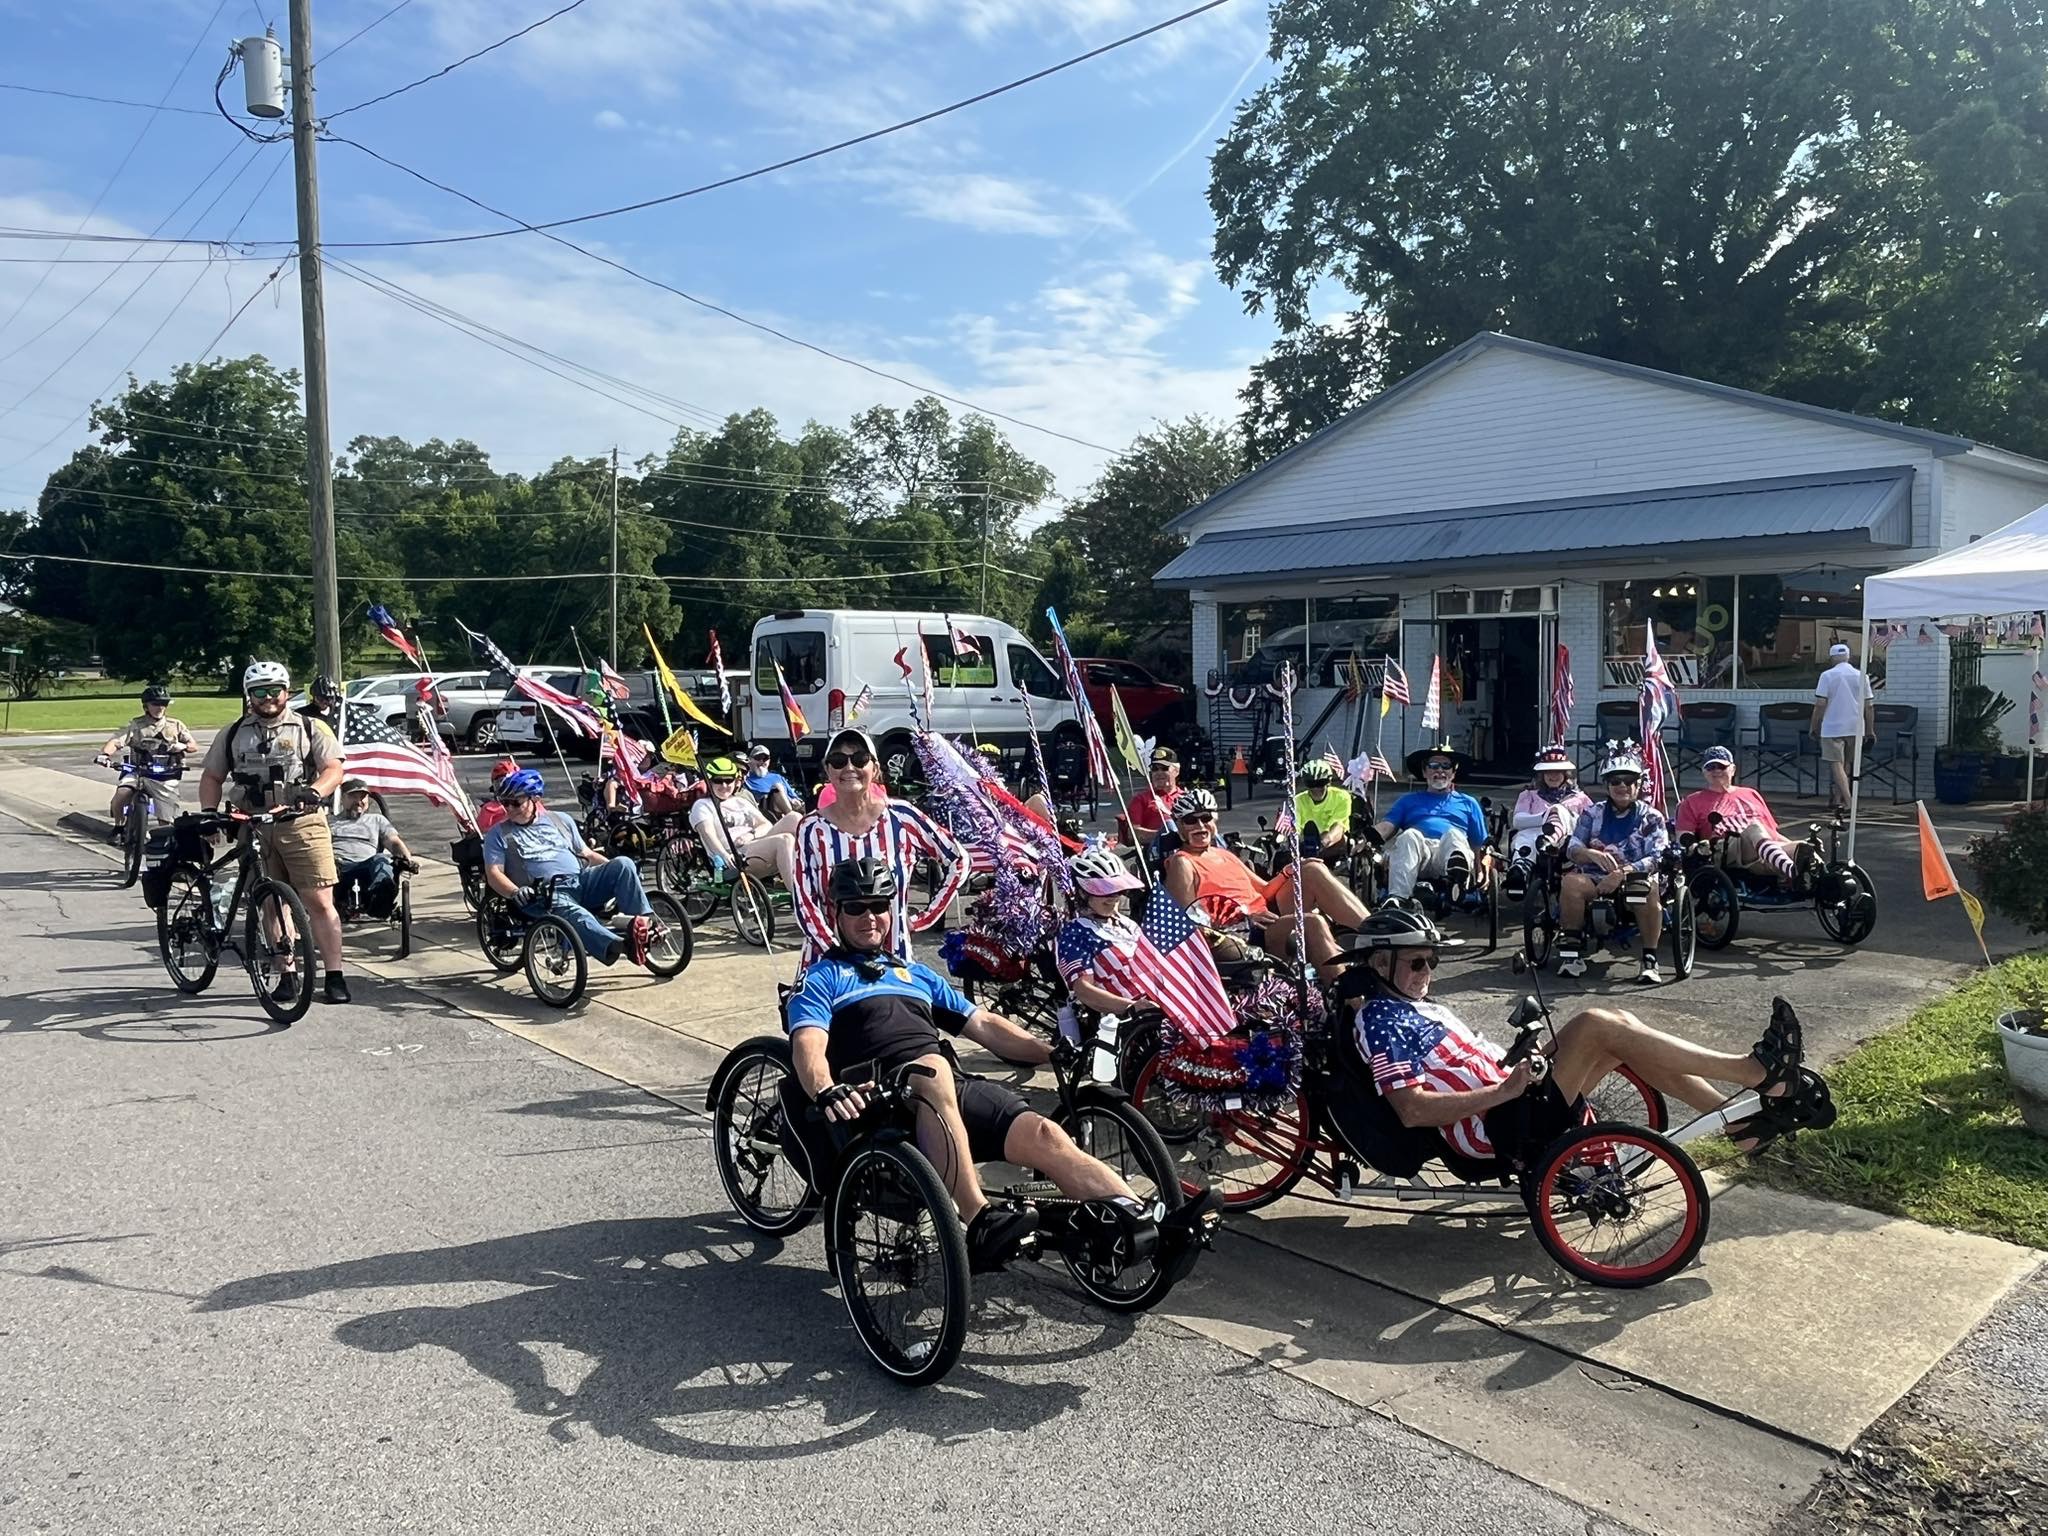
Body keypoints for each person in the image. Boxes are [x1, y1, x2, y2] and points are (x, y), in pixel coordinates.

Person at [787, 856, 1162, 1272]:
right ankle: (978, 1218)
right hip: (878, 1097)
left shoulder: (913, 973)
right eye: (855, 907)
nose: (869, 917)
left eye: (878, 906)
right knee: (933, 1066)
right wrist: (824, 1087)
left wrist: (1049, 1049)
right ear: (835, 913)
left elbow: (983, 1024)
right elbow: (808, 1043)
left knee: (1045, 1133)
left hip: (945, 1089)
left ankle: (1143, 1220)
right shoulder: (823, 977)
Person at [1346, 907, 1831, 1162]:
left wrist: (1514, 1066)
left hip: (1510, 1094)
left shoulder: (1416, 1007)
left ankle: (1737, 1126)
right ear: (1379, 964)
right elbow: (1410, 1110)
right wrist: (1505, 1089)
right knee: (1597, 1024)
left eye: (1432, 960)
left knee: (1618, 1025)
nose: (1427, 970)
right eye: (1416, 961)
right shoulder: (1382, 1021)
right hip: (1494, 1123)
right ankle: (1754, 1073)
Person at [197, 660, 350, 1005]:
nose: (267, 698)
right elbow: (211, 777)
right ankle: (286, 973)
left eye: (273, 691)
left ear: (287, 692)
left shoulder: (310, 727)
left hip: (302, 823)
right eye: (258, 692)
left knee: (319, 901)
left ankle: (335, 976)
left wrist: (316, 791)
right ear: (249, 696)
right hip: (252, 826)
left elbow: (334, 769)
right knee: (269, 903)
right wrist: (210, 813)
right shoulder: (234, 733)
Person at [792, 727, 968, 967]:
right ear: (828, 770)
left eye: (860, 759)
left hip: (893, 960)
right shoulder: (811, 828)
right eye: (838, 760)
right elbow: (804, 901)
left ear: (874, 769)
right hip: (829, 964)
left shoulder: (902, 817)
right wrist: (835, 951)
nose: (849, 768)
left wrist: (922, 919)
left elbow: (958, 859)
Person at [1158, 787, 1364, 973]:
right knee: (1312, 923)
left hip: (1267, 913)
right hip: (1243, 933)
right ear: (1179, 826)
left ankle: (1374, 932)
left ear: (1214, 821)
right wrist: (1245, 918)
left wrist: (1287, 872)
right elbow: (1187, 920)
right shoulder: (1181, 862)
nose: (1200, 825)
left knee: (1311, 869)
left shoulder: (1223, 854)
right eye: (1190, 820)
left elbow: (1264, 891)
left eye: (1205, 818)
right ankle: (1349, 1002)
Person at [481, 768, 665, 968]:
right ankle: (621, 947)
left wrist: (623, 873)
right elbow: (494, 873)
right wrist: (515, 891)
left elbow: (588, 855)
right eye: (504, 802)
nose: (509, 808)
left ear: (534, 799)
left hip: (580, 881)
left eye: (515, 801)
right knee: (579, 915)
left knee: (623, 864)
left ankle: (647, 926)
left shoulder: (560, 820)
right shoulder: (497, 835)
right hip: (544, 894)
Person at [1557, 746, 1670, 984]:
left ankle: (1650, 959)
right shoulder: (1592, 813)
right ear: (1607, 785)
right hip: (1595, 876)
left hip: (1635, 876)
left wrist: (1621, 874)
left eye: (1629, 780)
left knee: (1645, 891)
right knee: (1570, 883)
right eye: (1616, 780)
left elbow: (1657, 857)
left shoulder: (1652, 817)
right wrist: (1589, 854)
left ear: (1638, 785)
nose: (1622, 786)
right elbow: (1572, 847)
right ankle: (1572, 955)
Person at [1374, 743, 1490, 903]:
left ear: (1453, 773)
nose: (1440, 770)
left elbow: (1478, 844)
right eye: (1434, 765)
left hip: (1448, 853)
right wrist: (1368, 836)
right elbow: (1388, 826)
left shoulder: (1468, 803)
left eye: (1446, 766)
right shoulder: (1408, 800)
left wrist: (1481, 871)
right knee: (1409, 835)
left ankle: (1457, 880)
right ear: (1424, 772)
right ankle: (1398, 898)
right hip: (1419, 854)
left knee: (1453, 834)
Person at [1675, 746, 1801, 885]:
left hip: (1764, 850)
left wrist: (1792, 844)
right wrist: (1695, 847)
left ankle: (1817, 883)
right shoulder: (1692, 801)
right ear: (1704, 772)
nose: (1716, 770)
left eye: (1722, 766)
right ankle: (1790, 870)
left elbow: (1773, 833)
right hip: (1726, 849)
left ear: (1733, 769)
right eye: (1711, 767)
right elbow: (1683, 836)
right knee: (1754, 828)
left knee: (1803, 848)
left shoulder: (1751, 793)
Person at [689, 755, 800, 888]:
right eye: (718, 781)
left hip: (753, 844)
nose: (724, 785)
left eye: (729, 780)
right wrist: (724, 855)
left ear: (735, 781)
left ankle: (815, 874)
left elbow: (766, 824)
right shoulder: (702, 805)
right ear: (709, 782)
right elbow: (708, 834)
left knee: (795, 818)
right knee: (785, 840)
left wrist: (750, 835)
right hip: (733, 856)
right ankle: (798, 896)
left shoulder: (740, 801)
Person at [101, 683, 195, 837]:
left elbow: (193, 745)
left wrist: (182, 746)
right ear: (146, 706)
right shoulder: (136, 725)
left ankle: (163, 842)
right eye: (155, 704)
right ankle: (119, 826)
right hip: (138, 770)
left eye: (163, 704)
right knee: (121, 794)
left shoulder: (176, 725)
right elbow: (117, 741)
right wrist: (105, 755)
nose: (160, 708)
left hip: (164, 775)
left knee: (166, 816)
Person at [1505, 746, 1592, 899]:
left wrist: (1559, 814)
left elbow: (1592, 822)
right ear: (1542, 775)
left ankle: (1550, 841)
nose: (1553, 776)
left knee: (1558, 809)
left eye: (1557, 772)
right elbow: (1518, 821)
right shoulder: (1528, 795)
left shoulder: (1580, 798)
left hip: (1568, 843)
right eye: (1548, 772)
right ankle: (1519, 872)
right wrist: (1544, 817)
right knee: (1524, 836)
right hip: (1535, 841)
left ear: (1565, 775)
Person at [329, 778, 416, 918]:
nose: (359, 801)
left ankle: (382, 897)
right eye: (353, 796)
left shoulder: (377, 820)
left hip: (367, 868)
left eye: (363, 797)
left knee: (382, 859)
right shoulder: (330, 821)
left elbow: (393, 842)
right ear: (342, 799)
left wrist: (408, 860)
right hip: (339, 869)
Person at [1811, 643, 1875, 810]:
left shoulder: (1827, 676)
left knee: (1836, 763)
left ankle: (1849, 800)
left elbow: (1820, 704)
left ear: (1831, 658)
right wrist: (1869, 729)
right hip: (1855, 726)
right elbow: (1869, 706)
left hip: (1832, 727)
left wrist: (1814, 725)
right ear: (1849, 657)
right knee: (1847, 763)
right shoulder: (1862, 676)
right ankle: (1838, 799)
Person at [1293, 758, 1353, 859]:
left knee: (1338, 828)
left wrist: (1324, 842)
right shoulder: (1297, 800)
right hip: (1305, 843)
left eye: (1320, 783)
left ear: (1328, 782)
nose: (1316, 788)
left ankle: (1317, 849)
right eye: (1312, 784)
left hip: (1333, 843)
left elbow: (1338, 825)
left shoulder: (1342, 797)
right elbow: (1295, 826)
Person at [1125, 746, 1181, 840]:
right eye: (1154, 768)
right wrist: (1163, 835)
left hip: (1187, 850)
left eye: (1164, 768)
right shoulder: (1141, 799)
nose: (1159, 772)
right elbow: (1132, 833)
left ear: (1176, 771)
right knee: (1169, 824)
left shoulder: (1186, 797)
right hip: (1156, 850)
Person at [743, 744, 802, 819]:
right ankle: (791, 818)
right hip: (762, 810)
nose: (762, 761)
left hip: (785, 808)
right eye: (758, 758)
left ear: (769, 761)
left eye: (765, 758)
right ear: (750, 760)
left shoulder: (777, 776)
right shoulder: (745, 778)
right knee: (776, 788)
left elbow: (794, 797)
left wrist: (795, 801)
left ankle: (793, 818)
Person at [474, 758, 521, 834]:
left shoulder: (529, 804)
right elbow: (481, 834)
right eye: (502, 785)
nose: (507, 789)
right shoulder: (489, 809)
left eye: (512, 784)